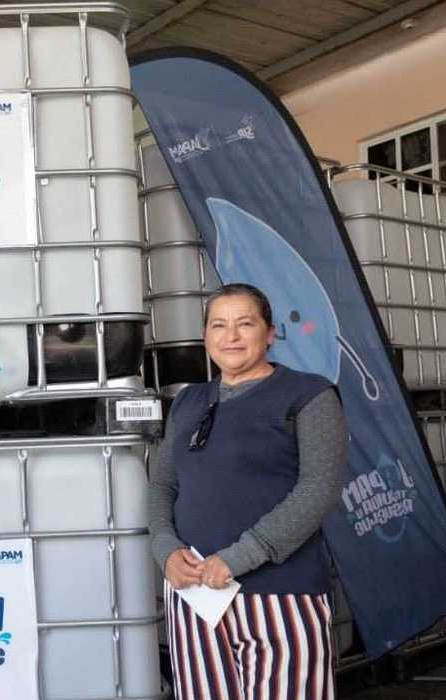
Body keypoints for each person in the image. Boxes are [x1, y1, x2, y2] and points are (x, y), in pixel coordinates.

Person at [149, 283, 348, 700]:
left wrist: (241, 556)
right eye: (219, 325)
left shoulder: (309, 395)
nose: (231, 336)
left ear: (270, 333)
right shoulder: (187, 401)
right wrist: (165, 549)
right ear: (206, 337)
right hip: (195, 594)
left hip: (281, 592)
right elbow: (163, 484)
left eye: (245, 324)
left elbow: (319, 488)